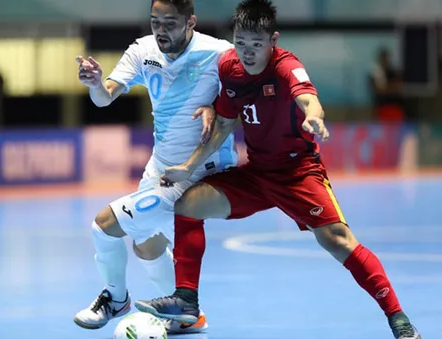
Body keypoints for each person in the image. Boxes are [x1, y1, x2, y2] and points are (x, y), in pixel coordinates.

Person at [134, 1, 422, 338]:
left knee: (338, 240)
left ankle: (398, 318)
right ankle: (186, 301)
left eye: (256, 45)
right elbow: (224, 126)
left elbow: (307, 97)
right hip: (257, 174)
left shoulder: (287, 66)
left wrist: (315, 115)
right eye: (241, 43)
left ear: (273, 40)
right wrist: (188, 167)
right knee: (188, 203)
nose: (247, 53)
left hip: (299, 173)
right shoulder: (229, 68)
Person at [73, 0, 238, 334]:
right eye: (155, 22)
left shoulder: (219, 53)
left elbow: (243, 97)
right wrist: (94, 83)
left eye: (170, 23)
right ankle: (187, 315)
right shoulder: (142, 50)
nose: (161, 30)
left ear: (190, 22)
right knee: (145, 241)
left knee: (103, 225)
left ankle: (116, 299)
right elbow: (105, 96)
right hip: (160, 167)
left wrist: (215, 106)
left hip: (199, 171)